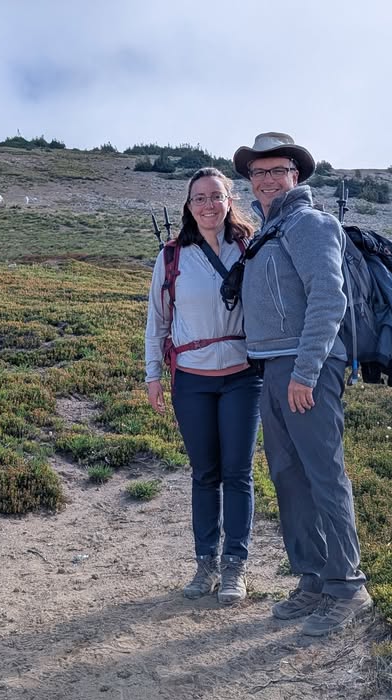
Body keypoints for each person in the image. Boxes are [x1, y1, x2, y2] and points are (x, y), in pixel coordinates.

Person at [232, 132, 372, 635]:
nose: (267, 180)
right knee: (289, 478)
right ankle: (311, 579)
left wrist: (307, 371)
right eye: (258, 172)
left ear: (295, 176)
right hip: (273, 367)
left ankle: (347, 587)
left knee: (323, 475)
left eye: (277, 170)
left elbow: (328, 299)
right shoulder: (270, 231)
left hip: (305, 368)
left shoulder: (310, 224)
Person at [144, 167, 263, 605]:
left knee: (238, 473)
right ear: (188, 206)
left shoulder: (250, 248)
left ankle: (235, 566)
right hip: (191, 380)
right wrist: (152, 374)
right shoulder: (172, 256)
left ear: (229, 201)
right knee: (204, 474)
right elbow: (156, 319)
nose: (208, 205)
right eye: (199, 198)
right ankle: (204, 564)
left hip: (242, 378)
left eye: (216, 196)